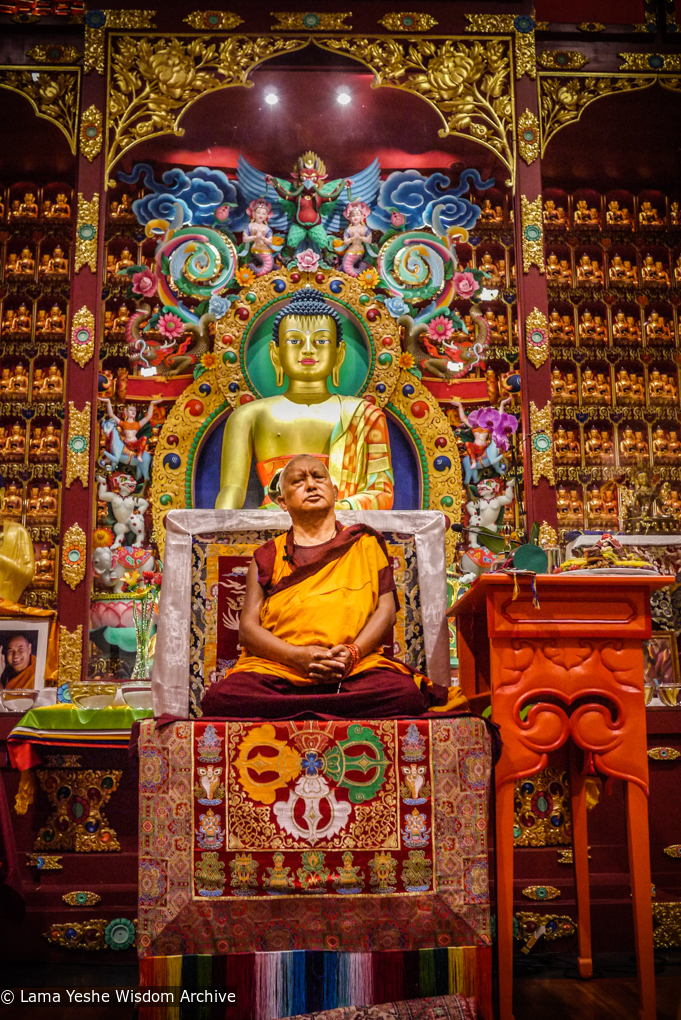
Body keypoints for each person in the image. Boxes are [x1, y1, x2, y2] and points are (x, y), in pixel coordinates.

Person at [201, 454, 434, 719]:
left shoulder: (364, 545)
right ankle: (329, 708)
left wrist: (352, 653)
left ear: (334, 492)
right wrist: (296, 657)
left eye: (318, 477)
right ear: (282, 502)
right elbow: (248, 630)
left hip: (353, 670)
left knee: (406, 696)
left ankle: (298, 711)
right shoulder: (268, 555)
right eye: (298, 481)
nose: (311, 485)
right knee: (221, 699)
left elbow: (386, 611)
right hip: (281, 670)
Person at [215, 288, 393, 511]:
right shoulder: (248, 416)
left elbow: (382, 492)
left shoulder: (365, 416)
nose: (308, 350)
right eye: (294, 341)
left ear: (339, 354)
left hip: (342, 531)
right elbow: (232, 489)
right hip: (271, 527)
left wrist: (334, 509)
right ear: (275, 353)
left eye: (320, 341)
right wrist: (219, 530)